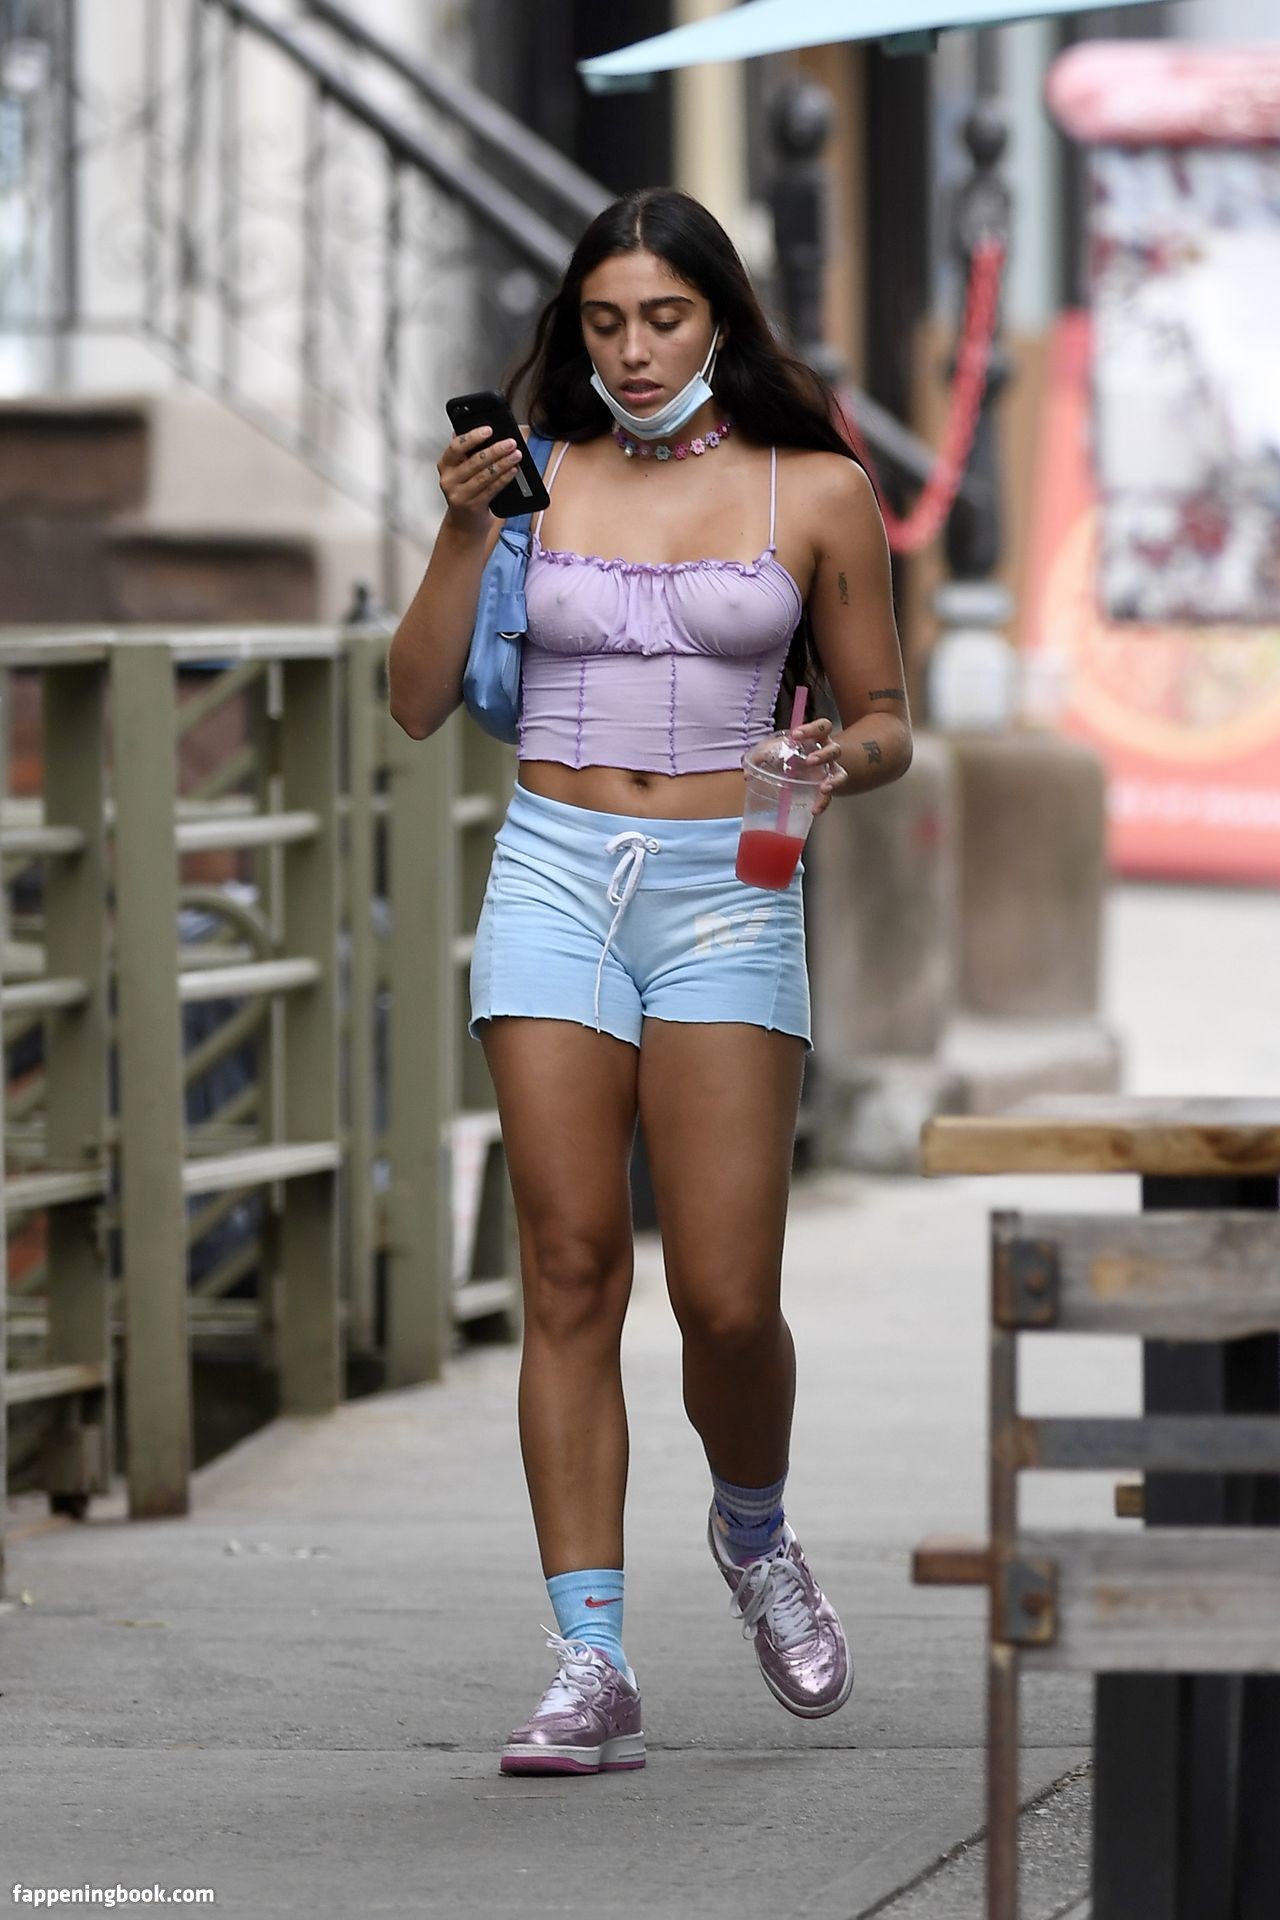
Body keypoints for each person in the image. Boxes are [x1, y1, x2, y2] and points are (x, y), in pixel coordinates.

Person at [388, 188, 911, 1776]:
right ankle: (590, 1656)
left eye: (663, 319)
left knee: (727, 1301)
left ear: (718, 321)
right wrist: (464, 528)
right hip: (554, 874)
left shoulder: (817, 489)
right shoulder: (533, 485)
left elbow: (886, 717)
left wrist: (834, 760)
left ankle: (754, 1533)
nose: (630, 351)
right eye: (604, 321)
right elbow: (413, 700)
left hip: (728, 890)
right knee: (567, 1266)